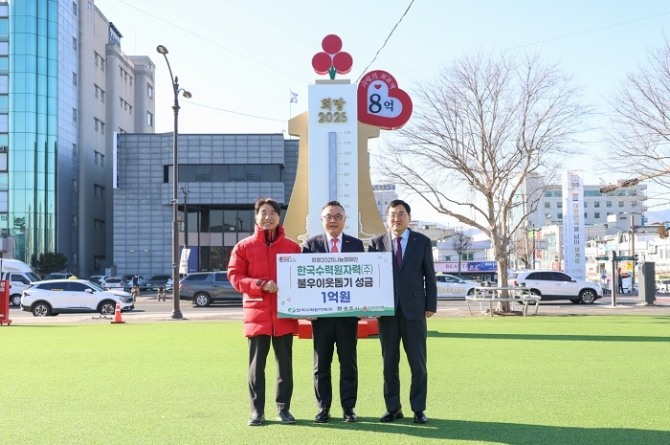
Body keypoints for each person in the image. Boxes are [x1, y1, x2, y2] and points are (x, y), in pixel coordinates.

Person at [228, 197, 302, 427]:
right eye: (263, 212)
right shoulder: (244, 247)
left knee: (285, 366)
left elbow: (303, 280)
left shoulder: (292, 247)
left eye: (272, 212)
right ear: (256, 217)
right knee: (256, 367)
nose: (268, 216)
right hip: (256, 315)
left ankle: (284, 409)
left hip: (284, 314)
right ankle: (257, 412)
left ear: (279, 217)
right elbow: (235, 276)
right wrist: (260, 284)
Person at [368, 199, 437, 424]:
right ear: (387, 218)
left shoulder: (422, 241)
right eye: (392, 214)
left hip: (415, 310)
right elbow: (371, 279)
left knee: (417, 363)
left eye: (400, 214)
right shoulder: (376, 243)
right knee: (389, 362)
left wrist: (430, 304)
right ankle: (393, 408)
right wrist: (370, 305)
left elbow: (429, 275)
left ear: (408, 217)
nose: (396, 218)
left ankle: (419, 409)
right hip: (387, 311)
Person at [302, 201, 365, 423]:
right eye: (329, 216)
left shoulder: (356, 245)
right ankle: (324, 407)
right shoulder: (311, 245)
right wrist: (305, 308)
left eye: (338, 216)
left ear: (344, 219)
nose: (333, 220)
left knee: (348, 362)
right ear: (322, 220)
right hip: (321, 318)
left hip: (348, 316)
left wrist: (365, 305)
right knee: (321, 365)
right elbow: (305, 280)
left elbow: (362, 280)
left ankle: (349, 408)